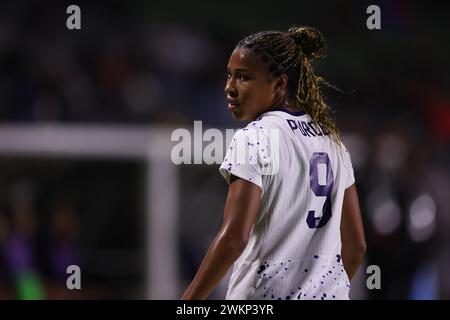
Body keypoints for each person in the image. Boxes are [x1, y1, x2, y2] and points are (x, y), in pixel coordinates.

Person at [181, 26, 366, 300]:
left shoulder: (254, 138)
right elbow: (355, 248)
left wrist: (188, 302)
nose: (229, 87)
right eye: (229, 75)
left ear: (280, 84)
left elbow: (234, 239)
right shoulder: (333, 143)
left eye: (244, 77)